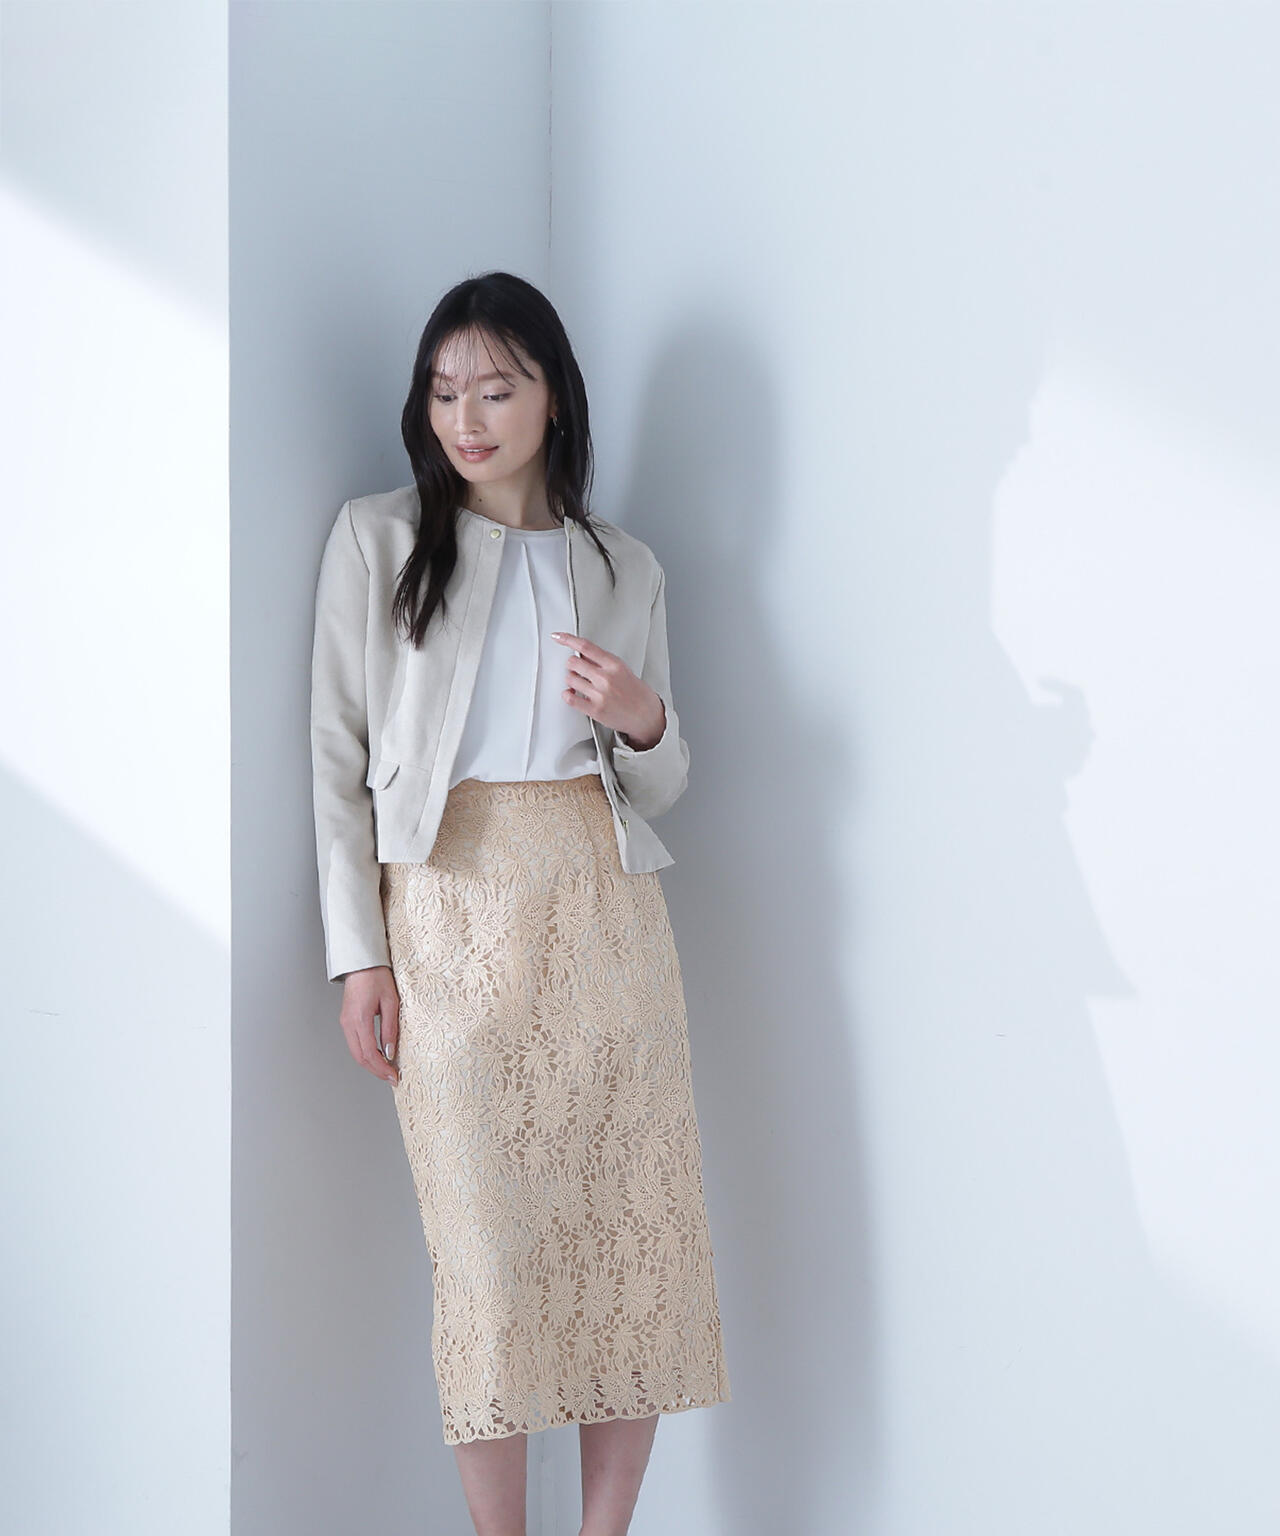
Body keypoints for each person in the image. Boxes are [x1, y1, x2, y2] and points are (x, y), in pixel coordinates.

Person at [310, 271, 730, 1536]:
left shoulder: (622, 564)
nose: (466, 417)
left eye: (496, 389)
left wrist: (643, 718)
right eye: (444, 391)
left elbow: (659, 784)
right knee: (486, 1266)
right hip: (447, 914)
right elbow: (335, 759)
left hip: (603, 915)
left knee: (633, 1248)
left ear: (553, 399)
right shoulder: (378, 540)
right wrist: (358, 956)